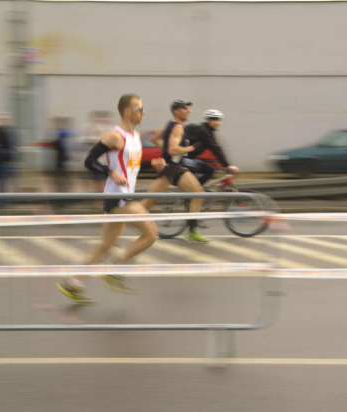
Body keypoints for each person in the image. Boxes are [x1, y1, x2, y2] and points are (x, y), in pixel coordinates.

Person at [57, 94, 165, 305]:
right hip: (118, 197)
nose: (144, 112)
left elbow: (131, 165)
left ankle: (72, 283)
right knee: (151, 234)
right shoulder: (116, 136)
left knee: (105, 245)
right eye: (140, 108)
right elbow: (89, 161)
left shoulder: (135, 136)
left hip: (125, 195)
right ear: (127, 111)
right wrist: (110, 172)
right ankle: (114, 269)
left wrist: (153, 166)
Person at [142, 100, 209, 243]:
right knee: (198, 193)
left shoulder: (169, 124)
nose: (188, 111)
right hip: (173, 167)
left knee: (147, 204)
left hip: (166, 167)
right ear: (176, 111)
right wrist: (191, 148)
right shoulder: (178, 127)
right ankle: (192, 231)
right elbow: (173, 150)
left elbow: (155, 139)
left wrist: (165, 151)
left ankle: (120, 221)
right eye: (185, 108)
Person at [183, 109, 240, 185]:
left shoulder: (206, 130)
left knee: (207, 168)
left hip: (189, 158)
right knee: (209, 170)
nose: (217, 123)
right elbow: (215, 148)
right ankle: (195, 191)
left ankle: (196, 189)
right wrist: (228, 165)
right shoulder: (204, 131)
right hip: (183, 160)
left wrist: (223, 164)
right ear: (208, 120)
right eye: (214, 120)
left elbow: (213, 149)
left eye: (219, 120)